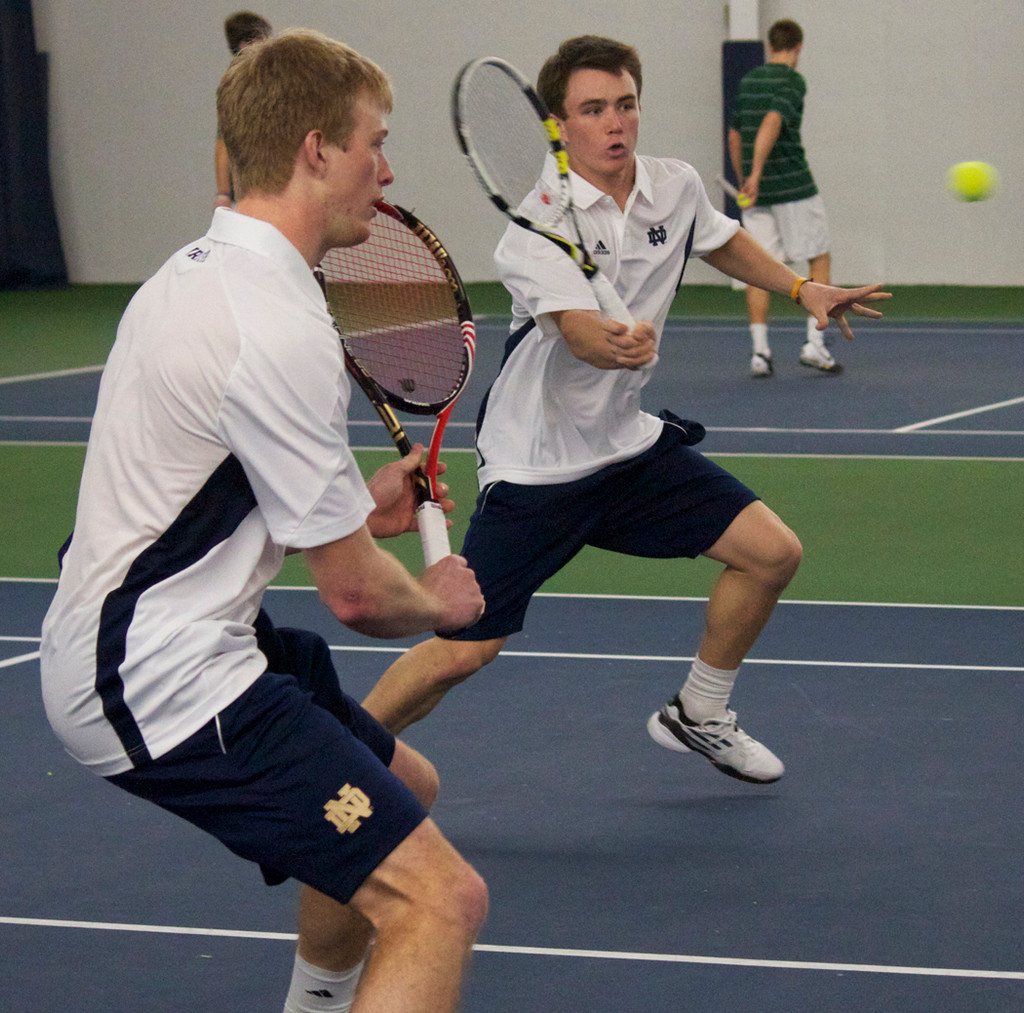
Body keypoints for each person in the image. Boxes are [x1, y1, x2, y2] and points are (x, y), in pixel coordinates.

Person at [40, 30, 488, 1013]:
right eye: (376, 140)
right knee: (442, 899)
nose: (389, 167)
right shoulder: (274, 322)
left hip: (179, 633)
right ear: (317, 149)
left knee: (400, 786)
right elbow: (356, 594)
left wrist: (360, 507)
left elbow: (210, 491)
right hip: (155, 673)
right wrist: (436, 603)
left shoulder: (204, 273)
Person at [361, 34, 889, 786]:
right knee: (465, 648)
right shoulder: (533, 226)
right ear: (559, 125)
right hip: (540, 468)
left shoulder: (672, 187)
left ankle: (698, 712)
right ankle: (342, 747)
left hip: (626, 449)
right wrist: (614, 344)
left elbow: (724, 240)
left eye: (626, 104)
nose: (615, 123)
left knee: (772, 552)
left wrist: (803, 290)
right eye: (593, 109)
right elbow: (577, 334)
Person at [727, 18, 838, 377]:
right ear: (799, 48)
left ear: (770, 45)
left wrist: (745, 179)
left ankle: (760, 353)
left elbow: (735, 134)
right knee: (818, 258)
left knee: (757, 271)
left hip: (756, 197)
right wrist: (757, 174)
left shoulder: (749, 81)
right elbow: (772, 122)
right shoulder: (793, 80)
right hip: (793, 188)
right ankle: (815, 345)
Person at [214, 11, 272, 211]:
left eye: (263, 37)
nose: (261, 43)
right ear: (240, 46)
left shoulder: (274, 77)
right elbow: (223, 143)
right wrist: (223, 194)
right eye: (253, 39)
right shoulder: (236, 85)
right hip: (252, 184)